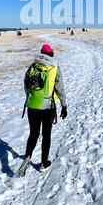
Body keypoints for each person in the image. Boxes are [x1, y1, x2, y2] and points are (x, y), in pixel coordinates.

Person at [22, 44, 67, 172]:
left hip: (32, 105)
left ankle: (28, 156)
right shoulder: (54, 67)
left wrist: (31, 97)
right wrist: (64, 105)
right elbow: (60, 88)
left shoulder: (33, 66)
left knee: (33, 133)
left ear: (41, 53)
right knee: (46, 135)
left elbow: (26, 84)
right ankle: (44, 163)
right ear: (51, 54)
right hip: (48, 106)